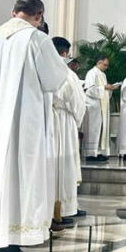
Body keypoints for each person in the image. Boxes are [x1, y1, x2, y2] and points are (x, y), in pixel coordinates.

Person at [0, 0, 68, 252]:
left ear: (13, 11)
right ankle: (10, 244)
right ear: (39, 16)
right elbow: (54, 80)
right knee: (20, 176)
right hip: (22, 122)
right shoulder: (37, 39)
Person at [51, 37, 87, 223]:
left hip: (48, 120)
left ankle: (53, 210)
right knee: (64, 166)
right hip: (64, 122)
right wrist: (78, 122)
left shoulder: (44, 66)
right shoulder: (67, 73)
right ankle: (63, 210)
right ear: (64, 52)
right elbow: (78, 103)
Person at [83, 56, 117, 162]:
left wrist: (110, 88)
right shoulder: (91, 73)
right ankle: (90, 154)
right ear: (99, 63)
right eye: (105, 65)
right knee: (94, 130)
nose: (106, 67)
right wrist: (104, 88)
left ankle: (98, 152)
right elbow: (89, 90)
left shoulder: (103, 75)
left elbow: (104, 90)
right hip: (94, 108)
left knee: (101, 130)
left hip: (101, 108)